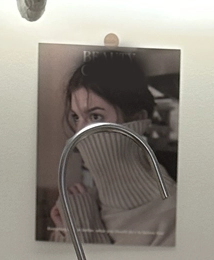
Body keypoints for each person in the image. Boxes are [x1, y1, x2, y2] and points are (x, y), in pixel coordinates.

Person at [47, 49, 177, 247]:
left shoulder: (173, 214)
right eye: (76, 117)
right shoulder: (79, 203)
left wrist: (82, 232)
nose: (80, 132)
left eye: (95, 116)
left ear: (136, 121)